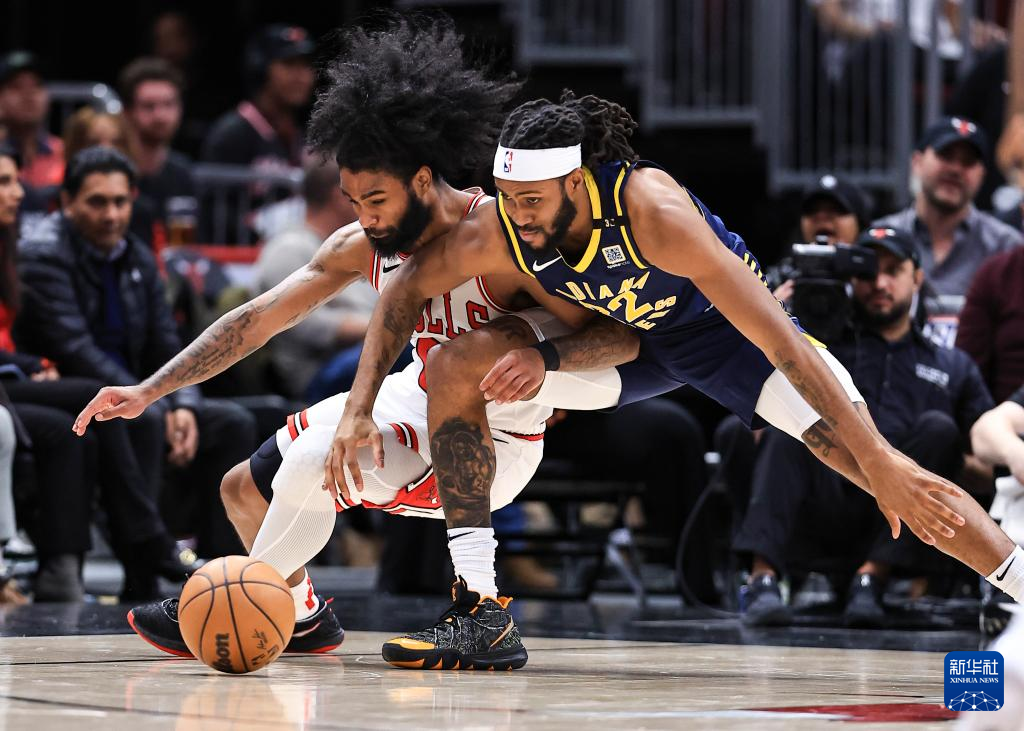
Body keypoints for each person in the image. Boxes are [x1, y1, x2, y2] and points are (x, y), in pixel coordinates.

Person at [332, 90, 1024, 667]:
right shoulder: (507, 225)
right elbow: (405, 290)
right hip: (629, 345)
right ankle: (479, 608)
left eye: (533, 200)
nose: (518, 216)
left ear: (576, 182)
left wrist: (875, 457)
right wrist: (359, 409)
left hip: (727, 339)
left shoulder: (654, 214)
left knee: (886, 472)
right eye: (508, 198)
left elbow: (782, 341)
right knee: (455, 362)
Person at [73, 18, 636, 668]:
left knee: (314, 461)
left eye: (375, 199)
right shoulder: (364, 244)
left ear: (421, 181)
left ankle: (231, 596)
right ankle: (303, 615)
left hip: (495, 440)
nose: (364, 217)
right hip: (417, 394)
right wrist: (150, 389)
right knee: (242, 490)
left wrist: (546, 363)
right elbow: (258, 318)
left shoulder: (503, 241)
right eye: (352, 200)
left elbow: (614, 334)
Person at [734, 228, 994, 627]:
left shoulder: (952, 366)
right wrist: (775, 317)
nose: (880, 283)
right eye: (869, 273)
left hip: (901, 521)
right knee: (791, 427)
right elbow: (754, 424)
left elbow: (986, 466)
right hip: (823, 499)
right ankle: (762, 579)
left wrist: (946, 464)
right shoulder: (819, 352)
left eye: (893, 271)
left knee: (938, 429)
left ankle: (872, 579)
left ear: (917, 277)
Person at [15, 147, 257, 564]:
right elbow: (75, 349)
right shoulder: (43, 255)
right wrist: (149, 399)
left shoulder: (138, 255)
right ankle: (144, 568)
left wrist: (182, 403)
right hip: (73, 392)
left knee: (232, 423)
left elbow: (168, 342)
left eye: (120, 202)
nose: (111, 214)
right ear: (67, 201)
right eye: (97, 202)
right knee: (140, 419)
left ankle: (223, 572)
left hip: (140, 392)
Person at [255, 159, 374, 399]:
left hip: (363, 352)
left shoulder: (357, 247)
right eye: (366, 193)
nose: (372, 204)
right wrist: (386, 327)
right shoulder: (289, 248)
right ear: (340, 196)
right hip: (318, 373)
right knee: (411, 350)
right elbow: (304, 324)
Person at [873, 116, 1022, 300]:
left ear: (982, 175)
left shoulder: (1006, 246)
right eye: (946, 156)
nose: (955, 169)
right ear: (917, 162)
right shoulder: (880, 238)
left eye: (968, 161)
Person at [118, 57, 197, 243]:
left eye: (169, 104)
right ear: (127, 112)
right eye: (149, 106)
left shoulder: (183, 172)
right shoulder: (115, 171)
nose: (160, 116)